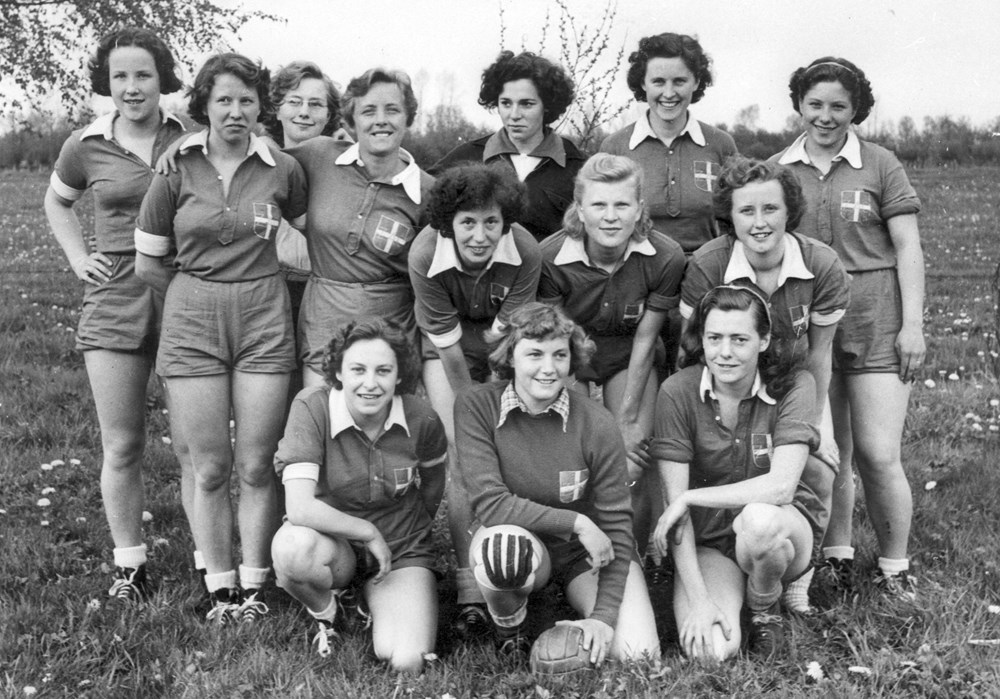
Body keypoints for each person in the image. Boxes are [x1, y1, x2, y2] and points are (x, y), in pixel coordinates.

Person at [134, 52, 308, 622]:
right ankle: (220, 586)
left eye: (247, 100)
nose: (236, 111)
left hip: (263, 318)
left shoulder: (283, 168)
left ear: (262, 107)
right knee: (208, 467)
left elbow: (307, 238)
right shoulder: (174, 168)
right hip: (193, 321)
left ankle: (257, 586)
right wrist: (198, 297)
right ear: (204, 104)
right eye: (224, 100)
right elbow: (148, 265)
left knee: (258, 464)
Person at [773, 57, 925, 599]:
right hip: (810, 328)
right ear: (799, 106)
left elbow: (907, 247)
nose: (826, 116)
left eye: (839, 105)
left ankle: (894, 567)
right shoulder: (779, 167)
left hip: (874, 322)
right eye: (815, 104)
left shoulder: (880, 163)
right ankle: (835, 555)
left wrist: (913, 326)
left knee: (878, 454)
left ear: (856, 108)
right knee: (825, 452)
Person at [44, 26, 185, 601]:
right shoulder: (85, 143)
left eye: (143, 75)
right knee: (122, 444)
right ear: (107, 82)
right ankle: (129, 566)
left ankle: (212, 563)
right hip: (114, 300)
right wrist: (80, 258)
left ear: (162, 80)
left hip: (182, 295)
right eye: (120, 76)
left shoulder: (191, 136)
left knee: (195, 447)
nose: (131, 87)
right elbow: (56, 200)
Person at [680, 156, 851, 611]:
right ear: (729, 217)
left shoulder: (821, 262)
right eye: (746, 211)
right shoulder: (708, 263)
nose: (759, 223)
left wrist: (820, 429)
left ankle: (801, 570)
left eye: (770, 210)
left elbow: (818, 353)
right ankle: (717, 561)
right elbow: (698, 348)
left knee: (816, 466)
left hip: (795, 386)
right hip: (730, 383)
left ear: (789, 211)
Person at [454, 302, 660, 663]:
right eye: (534, 354)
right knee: (502, 549)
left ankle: (575, 604)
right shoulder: (476, 405)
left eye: (559, 355)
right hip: (519, 542)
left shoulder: (597, 422)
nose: (548, 369)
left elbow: (616, 525)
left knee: (637, 654)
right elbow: (491, 503)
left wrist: (603, 618)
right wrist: (577, 522)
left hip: (585, 555)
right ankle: (510, 626)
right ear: (510, 356)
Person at [651, 285, 822, 659]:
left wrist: (690, 497)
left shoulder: (796, 384)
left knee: (760, 522)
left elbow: (780, 489)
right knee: (710, 651)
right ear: (702, 339)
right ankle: (727, 593)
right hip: (712, 541)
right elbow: (674, 510)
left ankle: (764, 607)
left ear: (763, 341)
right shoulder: (676, 392)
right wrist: (698, 599)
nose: (724, 352)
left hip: (782, 530)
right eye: (714, 338)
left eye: (739, 339)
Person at [407, 163, 542, 637]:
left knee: (514, 445)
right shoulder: (424, 252)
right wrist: (473, 416)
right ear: (448, 223)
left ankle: (518, 568)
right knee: (464, 453)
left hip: (501, 349)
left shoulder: (525, 249)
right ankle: (469, 587)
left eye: (491, 222)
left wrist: (497, 405)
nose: (481, 235)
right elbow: (446, 347)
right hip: (447, 354)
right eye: (468, 222)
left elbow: (505, 339)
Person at [271, 318, 447, 674]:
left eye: (383, 370)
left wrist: (408, 536)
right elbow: (300, 507)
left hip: (399, 548)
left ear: (399, 375)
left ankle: (375, 602)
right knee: (292, 550)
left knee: (406, 659)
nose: (370, 383)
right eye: (358, 369)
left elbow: (433, 485)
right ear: (339, 371)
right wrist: (367, 532)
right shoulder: (312, 406)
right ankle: (330, 614)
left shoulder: (421, 418)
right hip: (333, 544)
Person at [539, 153, 685, 556]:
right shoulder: (550, 257)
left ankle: (634, 551)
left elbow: (645, 339)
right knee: (574, 454)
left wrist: (624, 421)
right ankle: (572, 551)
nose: (610, 217)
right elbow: (558, 341)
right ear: (579, 209)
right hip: (573, 358)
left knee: (634, 458)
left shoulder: (665, 255)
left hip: (629, 356)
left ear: (639, 210)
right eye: (599, 205)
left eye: (622, 205)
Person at [599, 32, 738, 374]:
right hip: (639, 281)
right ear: (642, 84)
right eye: (658, 81)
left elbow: (737, 218)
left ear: (696, 83)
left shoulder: (720, 144)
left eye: (680, 80)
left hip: (706, 280)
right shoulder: (616, 146)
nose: (669, 92)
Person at [286, 67, 433, 388]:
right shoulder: (319, 155)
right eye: (368, 111)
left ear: (408, 117)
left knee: (385, 432)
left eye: (392, 110)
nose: (381, 120)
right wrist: (195, 142)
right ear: (351, 122)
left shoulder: (428, 191)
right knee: (324, 426)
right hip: (324, 325)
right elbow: (257, 164)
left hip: (390, 334)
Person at [431, 50, 585, 242]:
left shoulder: (577, 167)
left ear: (547, 105)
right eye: (505, 103)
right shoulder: (467, 157)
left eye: (526, 104)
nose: (514, 114)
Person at [264, 61, 343, 347]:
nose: (304, 112)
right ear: (277, 108)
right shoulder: (255, 156)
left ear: (330, 113)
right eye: (294, 102)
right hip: (267, 288)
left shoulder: (347, 164)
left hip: (324, 291)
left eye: (315, 104)